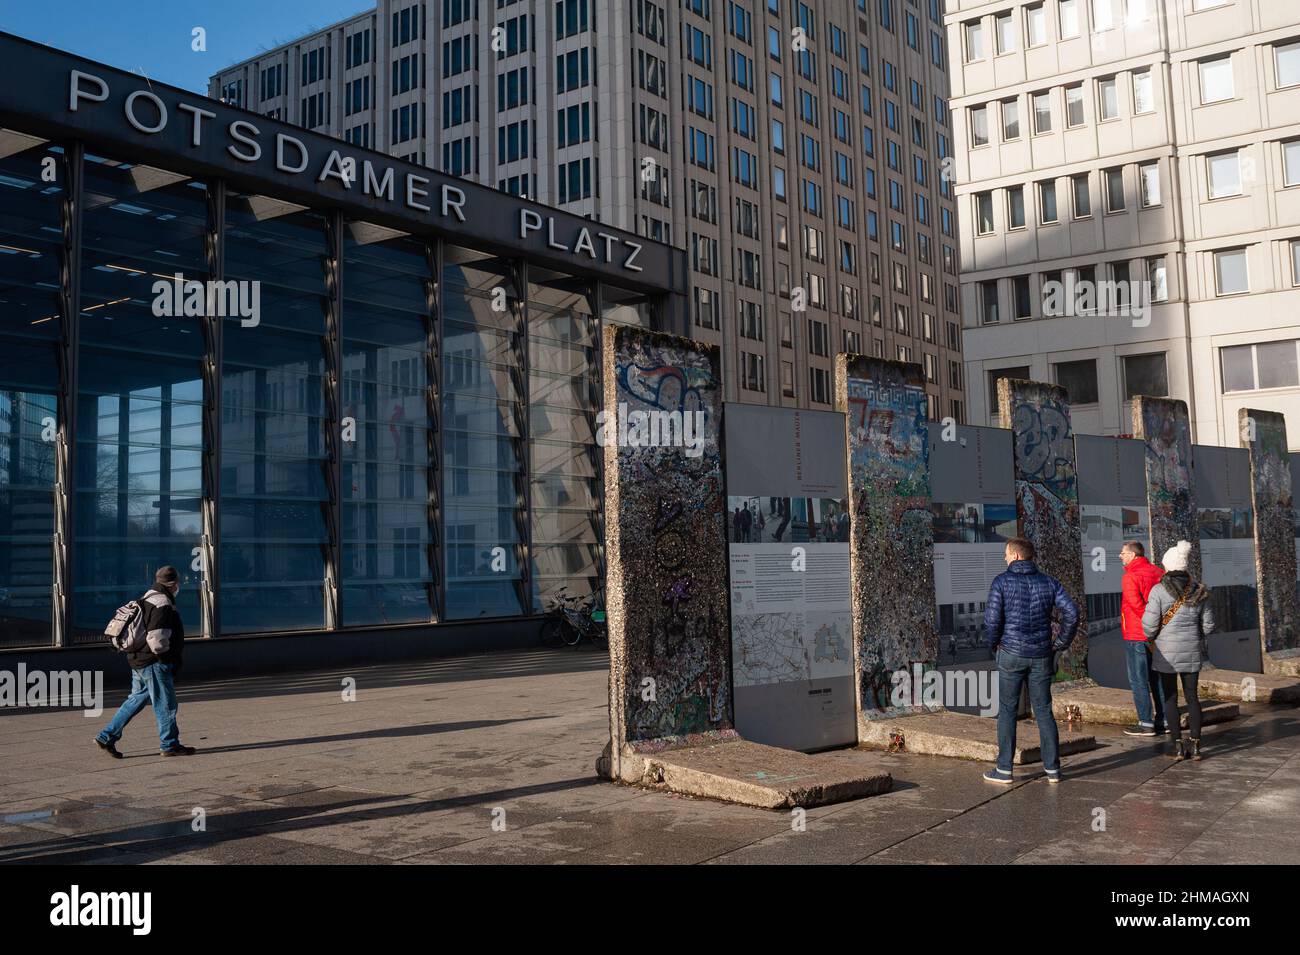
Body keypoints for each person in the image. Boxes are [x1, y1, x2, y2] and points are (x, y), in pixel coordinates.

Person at [982, 537, 1080, 785]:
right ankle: (1053, 769)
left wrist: (995, 645)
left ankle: (1004, 769)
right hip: (1041, 655)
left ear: (1015, 556)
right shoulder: (1049, 582)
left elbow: (992, 622)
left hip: (1011, 654)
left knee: (1007, 711)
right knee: (1044, 711)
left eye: (1006, 554)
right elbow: (1072, 612)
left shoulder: (1001, 582)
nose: (1004, 558)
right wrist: (1060, 644)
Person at [95, 566, 195, 758]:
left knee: (135, 700)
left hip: (138, 660)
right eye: (178, 583)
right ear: (174, 584)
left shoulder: (147, 597)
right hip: (153, 662)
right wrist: (166, 661)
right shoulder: (162, 602)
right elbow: (157, 639)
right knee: (166, 704)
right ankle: (170, 745)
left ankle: (106, 736)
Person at [1143, 540, 1215, 762]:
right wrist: (1196, 637)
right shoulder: (1200, 590)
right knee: (1193, 698)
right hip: (1192, 651)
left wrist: (1151, 638)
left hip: (1166, 653)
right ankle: (1195, 746)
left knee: (1170, 698)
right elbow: (1209, 625)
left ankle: (1176, 746)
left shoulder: (1159, 590)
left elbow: (1149, 624)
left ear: (1167, 566)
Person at [1119, 541, 1167, 737]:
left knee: (1138, 679)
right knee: (1157, 677)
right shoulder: (1158, 572)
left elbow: (1135, 603)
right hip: (1157, 633)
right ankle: (1164, 720)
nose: (1120, 556)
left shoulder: (1130, 575)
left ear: (1132, 555)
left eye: (1122, 553)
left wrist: (1149, 622)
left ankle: (1145, 722)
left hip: (1137, 633)